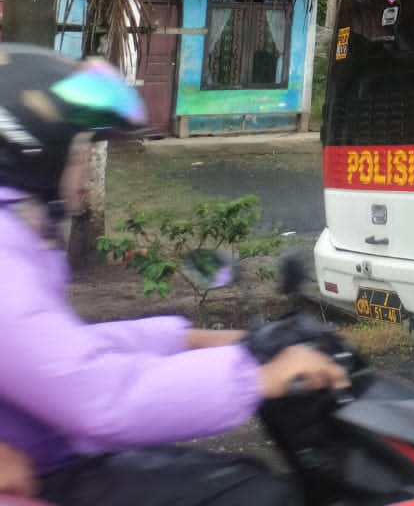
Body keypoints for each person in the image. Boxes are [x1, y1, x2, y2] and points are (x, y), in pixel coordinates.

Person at [0, 43, 349, 506]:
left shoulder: (20, 239)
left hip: (55, 461)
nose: (85, 166)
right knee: (259, 497)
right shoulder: (6, 252)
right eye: (79, 148)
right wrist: (254, 377)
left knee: (238, 482)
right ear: (35, 150)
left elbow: (62, 352)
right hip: (52, 472)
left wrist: (191, 339)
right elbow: (99, 398)